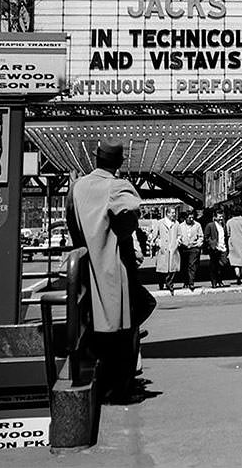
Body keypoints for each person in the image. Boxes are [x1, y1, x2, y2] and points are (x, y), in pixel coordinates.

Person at [65, 135, 156, 404]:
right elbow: (131, 215)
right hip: (114, 269)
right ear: (118, 162)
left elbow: (71, 221)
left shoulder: (78, 187)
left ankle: (105, 385)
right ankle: (120, 389)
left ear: (96, 158)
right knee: (126, 328)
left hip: (87, 270)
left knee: (97, 330)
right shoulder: (117, 187)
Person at [152, 205, 180, 295]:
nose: (174, 214)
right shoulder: (160, 223)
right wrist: (158, 243)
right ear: (167, 213)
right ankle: (161, 283)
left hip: (173, 248)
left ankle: (170, 284)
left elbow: (179, 235)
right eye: (172, 213)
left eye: (174, 213)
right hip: (163, 249)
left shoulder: (176, 223)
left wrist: (178, 242)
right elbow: (154, 235)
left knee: (172, 268)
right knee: (162, 269)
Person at [178, 209, 203, 291]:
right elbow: (177, 236)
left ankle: (191, 282)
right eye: (189, 218)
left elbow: (201, 236)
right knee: (184, 265)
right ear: (186, 218)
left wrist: (198, 243)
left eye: (192, 217)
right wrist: (180, 242)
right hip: (184, 247)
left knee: (192, 265)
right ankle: (186, 281)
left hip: (193, 247)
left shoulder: (197, 225)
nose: (191, 219)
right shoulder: (180, 226)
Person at [204, 209, 228, 288]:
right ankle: (214, 281)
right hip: (214, 248)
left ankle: (219, 279)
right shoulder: (210, 225)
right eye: (219, 217)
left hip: (223, 248)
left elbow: (226, 236)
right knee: (214, 265)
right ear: (215, 217)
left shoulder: (224, 225)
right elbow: (206, 237)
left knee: (223, 264)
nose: (221, 218)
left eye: (222, 216)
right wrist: (212, 244)